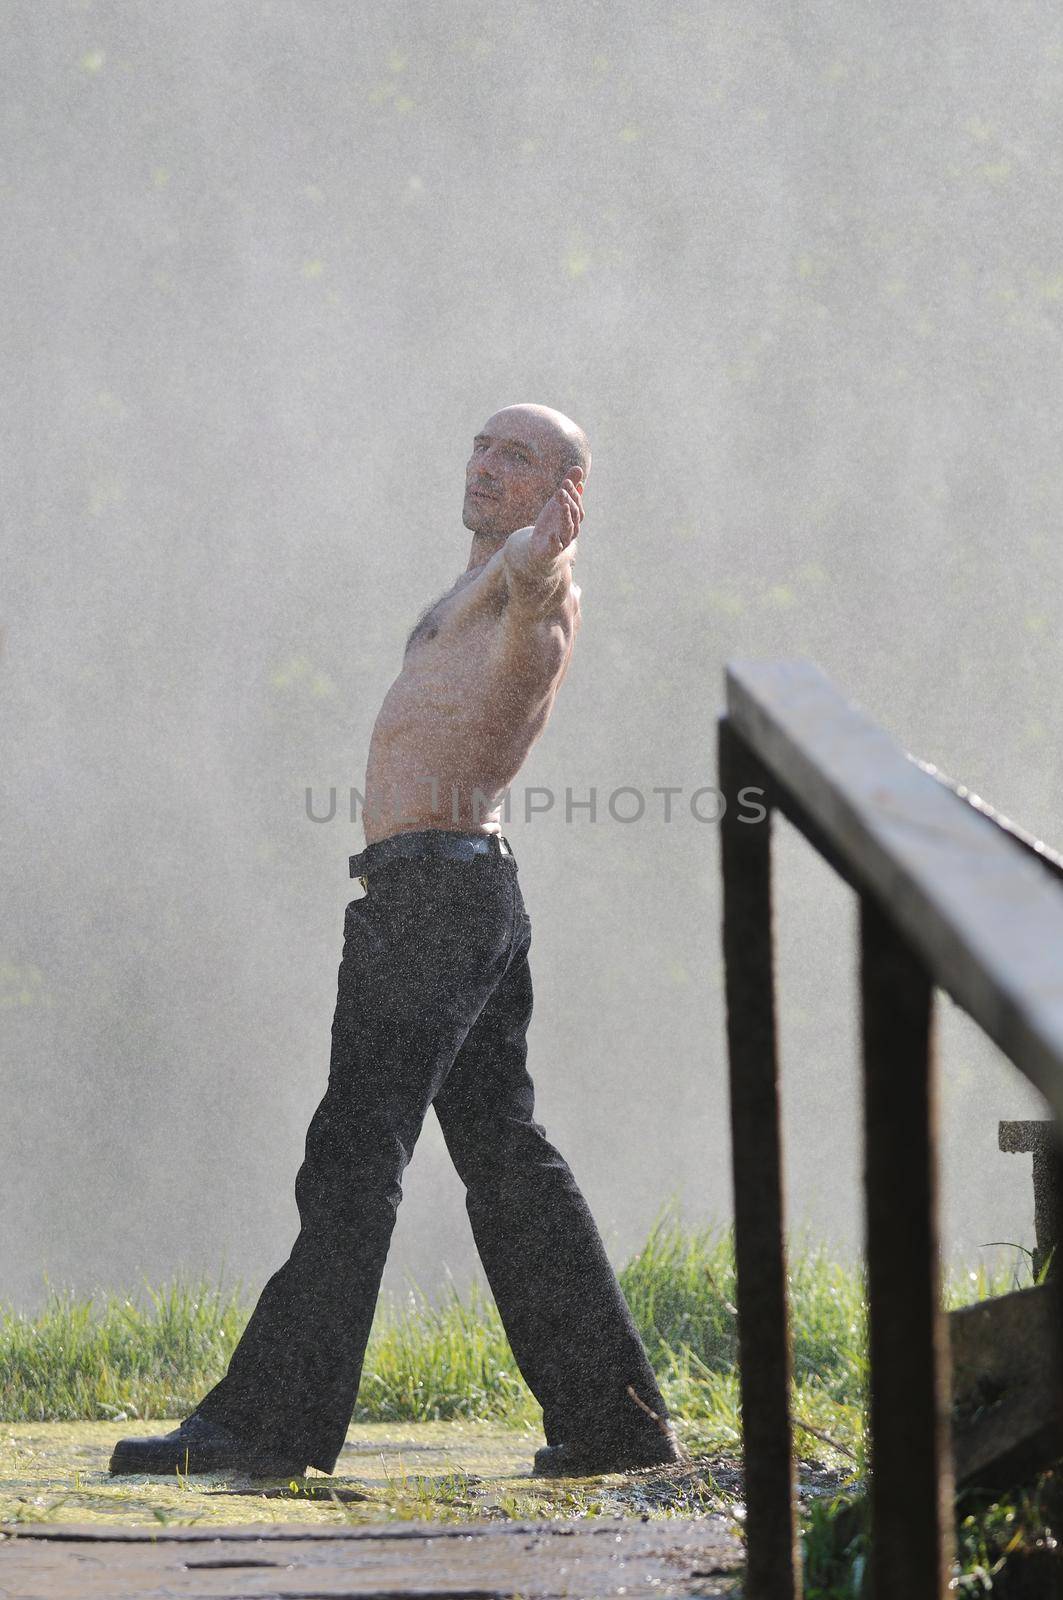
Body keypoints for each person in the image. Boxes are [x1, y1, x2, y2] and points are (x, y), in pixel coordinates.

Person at [110, 404, 680, 1480]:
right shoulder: (468, 589)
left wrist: (540, 549)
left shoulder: (532, 589)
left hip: (435, 900)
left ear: (565, 492)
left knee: (355, 1151)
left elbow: (538, 580)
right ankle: (614, 1422)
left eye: (520, 457)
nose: (487, 464)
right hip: (455, 895)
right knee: (505, 1157)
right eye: (483, 442)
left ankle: (267, 1426)